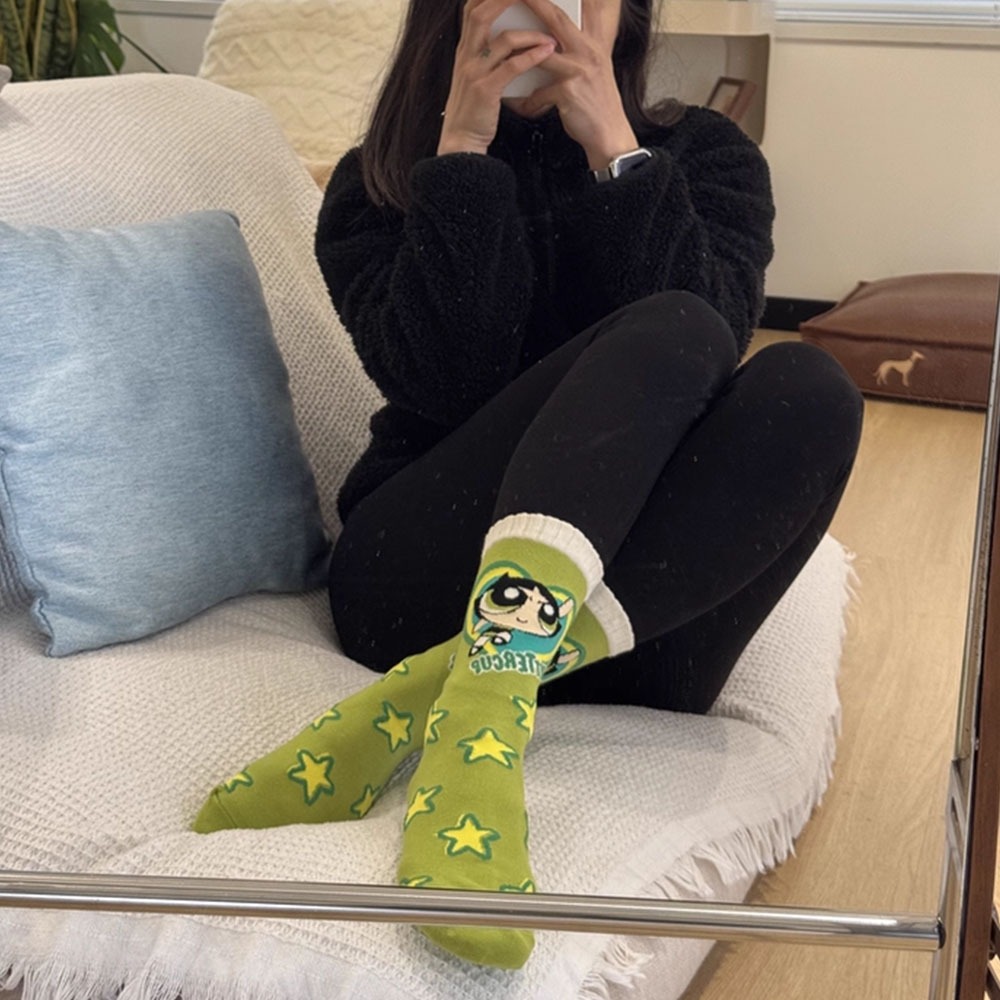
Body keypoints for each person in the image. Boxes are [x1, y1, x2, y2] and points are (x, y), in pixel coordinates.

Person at [193, 0, 864, 971]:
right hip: (416, 578)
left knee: (810, 390)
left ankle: (457, 689)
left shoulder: (709, 158)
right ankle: (478, 718)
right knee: (671, 325)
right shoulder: (379, 183)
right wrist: (464, 152)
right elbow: (447, 383)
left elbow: (715, 360)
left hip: (634, 624)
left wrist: (618, 155)